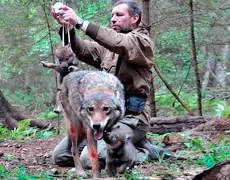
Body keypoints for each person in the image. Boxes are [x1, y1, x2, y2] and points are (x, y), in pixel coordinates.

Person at [51, 0, 171, 170]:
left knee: (89, 158)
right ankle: (133, 144)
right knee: (61, 155)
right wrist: (68, 27)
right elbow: (84, 50)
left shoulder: (142, 42)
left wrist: (79, 21)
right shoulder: (109, 48)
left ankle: (142, 152)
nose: (113, 19)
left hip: (132, 117)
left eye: (119, 15)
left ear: (135, 18)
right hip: (103, 116)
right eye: (112, 15)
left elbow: (119, 43)